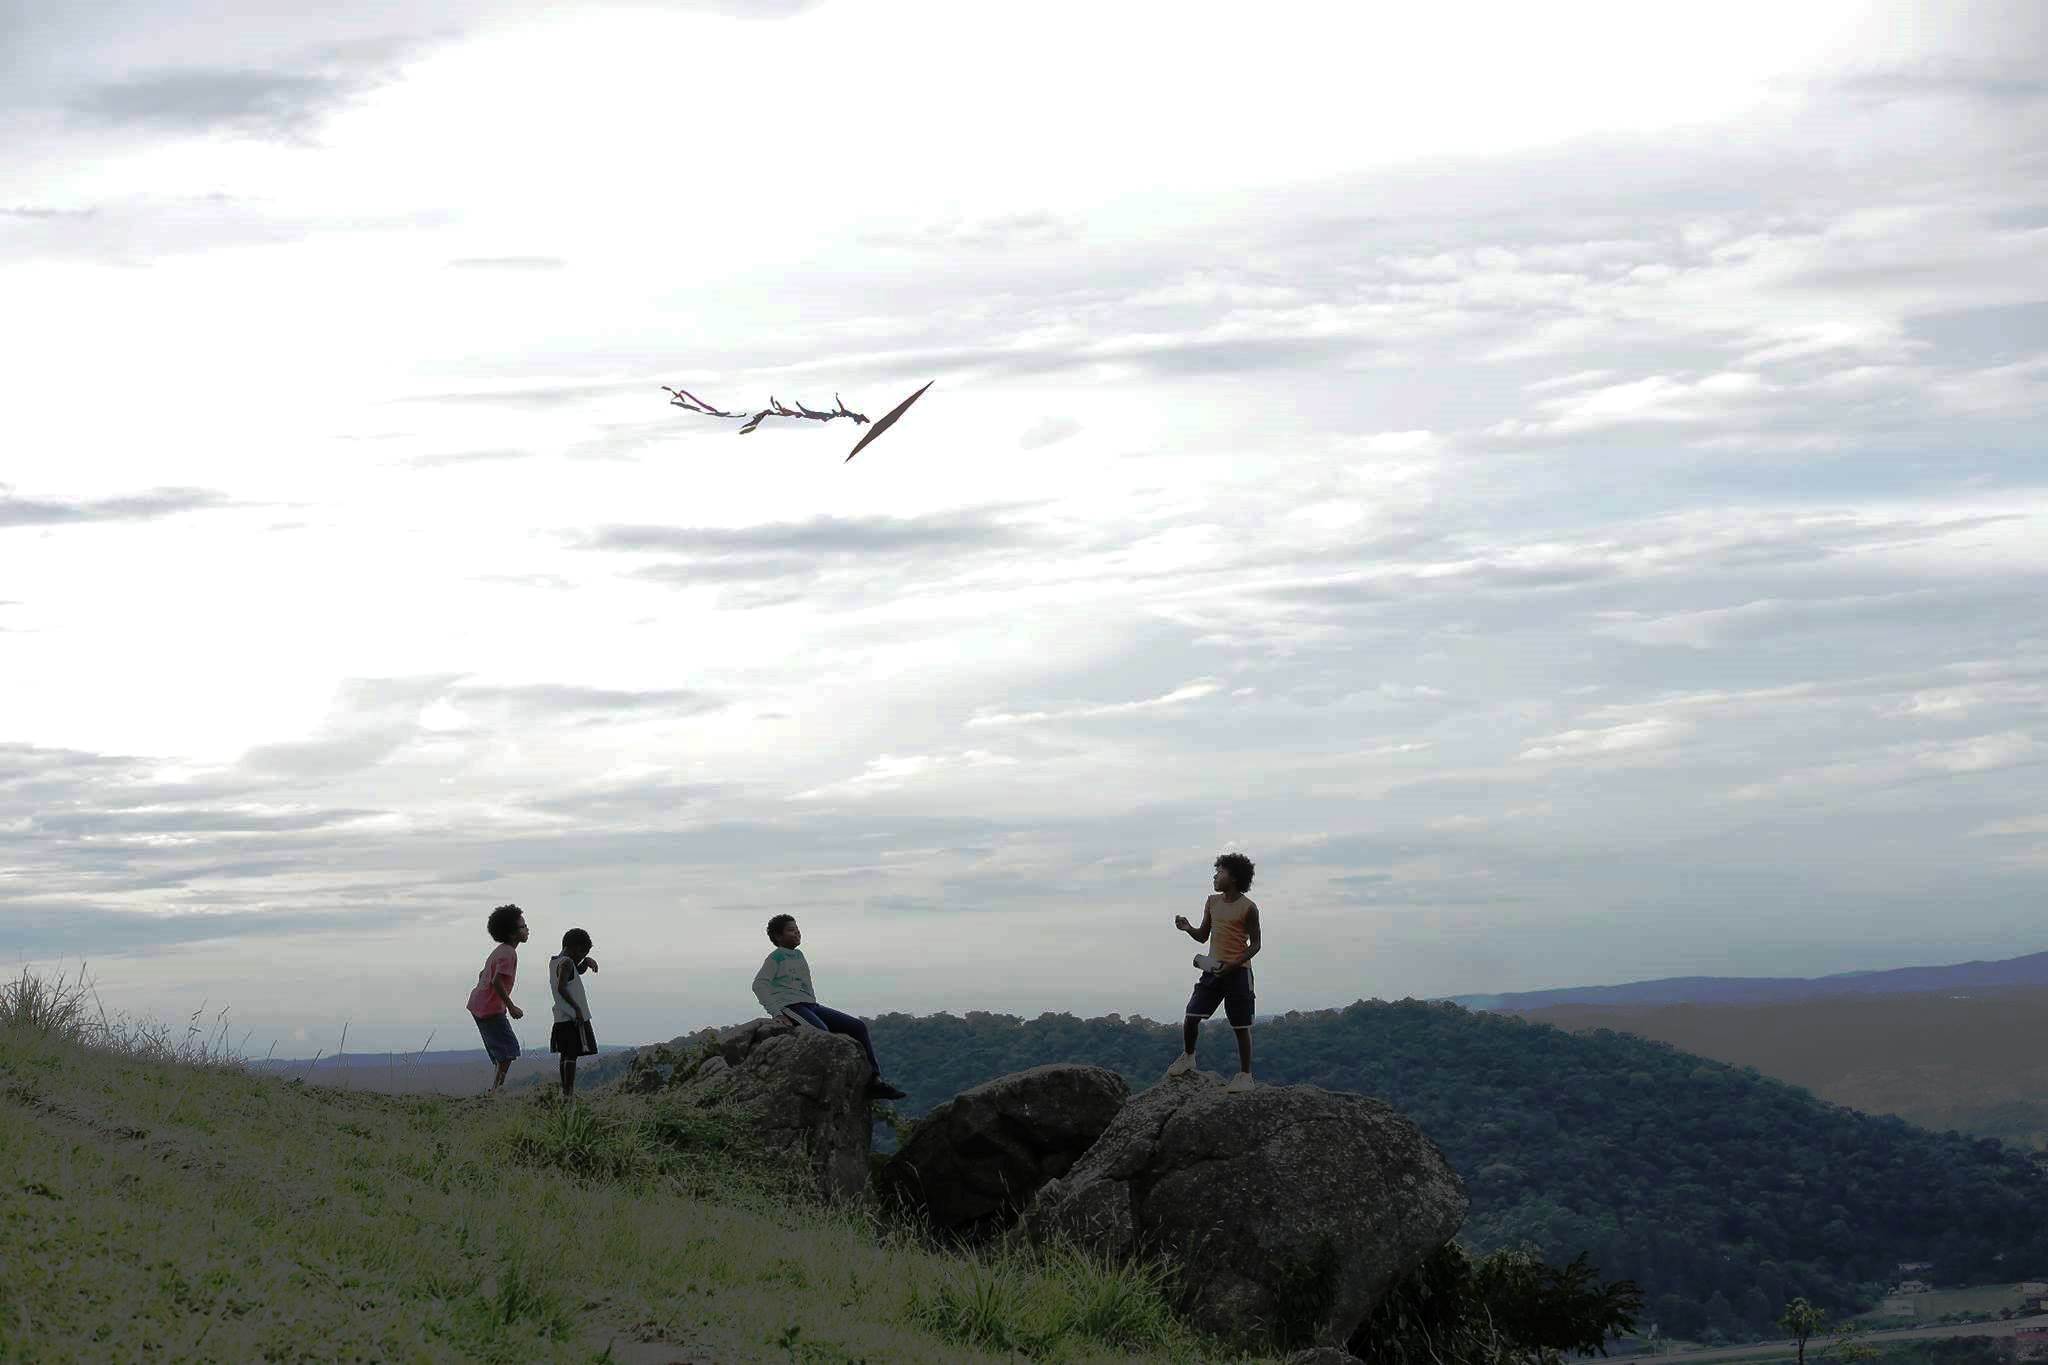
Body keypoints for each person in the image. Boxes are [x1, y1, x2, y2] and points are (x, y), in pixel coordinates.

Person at [752, 914, 907, 1101]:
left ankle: (875, 1081)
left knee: (857, 1027)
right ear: (778, 936)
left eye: (797, 928)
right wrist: (777, 1012)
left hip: (811, 1005)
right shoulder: (775, 958)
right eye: (791, 930)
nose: (797, 932)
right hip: (791, 1006)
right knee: (822, 1034)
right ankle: (825, 1087)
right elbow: (759, 984)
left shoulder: (799, 955)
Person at [1166, 852, 1262, 1092]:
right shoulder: (1212, 902)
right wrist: (1188, 928)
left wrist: (1233, 964)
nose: (1215, 876)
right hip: (1212, 969)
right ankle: (1189, 1056)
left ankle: (1245, 1075)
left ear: (1234, 877)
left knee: (1240, 1026)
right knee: (1191, 1015)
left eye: (1220, 872)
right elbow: (1203, 936)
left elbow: (1256, 944)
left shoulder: (1248, 908)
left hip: (1238, 972)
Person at [465, 903, 527, 1093]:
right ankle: (496, 1090)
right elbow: (496, 981)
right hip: (489, 1009)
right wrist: (511, 1006)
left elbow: (483, 973)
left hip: (481, 1006)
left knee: (502, 1051)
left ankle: (495, 1088)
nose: (527, 929)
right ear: (511, 933)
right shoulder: (508, 953)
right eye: (522, 926)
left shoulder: (500, 951)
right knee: (509, 1051)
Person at [548, 927, 601, 1099]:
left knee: (566, 1054)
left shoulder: (556, 961)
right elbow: (562, 987)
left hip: (561, 1017)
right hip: (572, 1017)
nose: (582, 957)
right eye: (582, 953)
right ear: (576, 948)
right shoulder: (567, 963)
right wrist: (577, 1009)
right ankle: (568, 1094)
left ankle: (566, 1092)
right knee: (571, 1055)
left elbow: (574, 973)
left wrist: (586, 962)